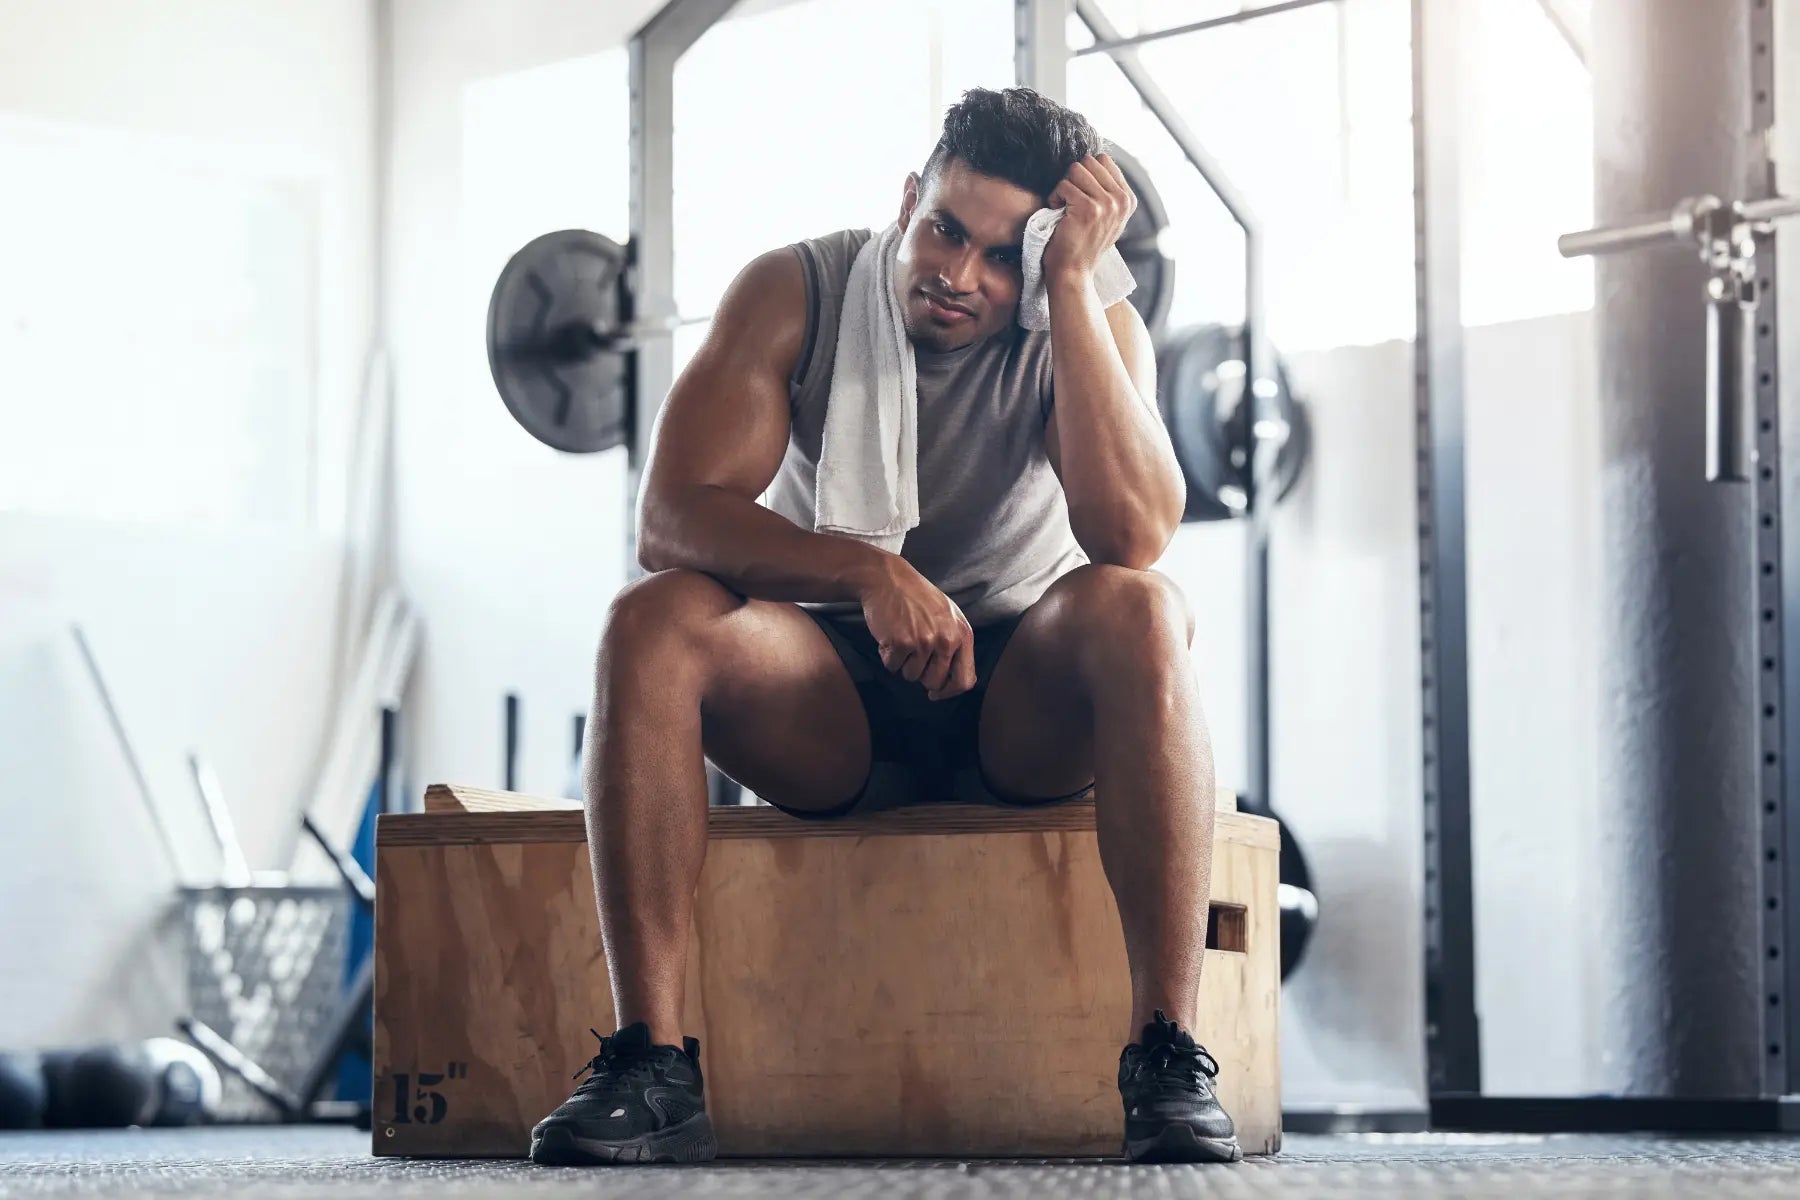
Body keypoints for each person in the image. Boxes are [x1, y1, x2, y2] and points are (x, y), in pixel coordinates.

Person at [528, 86, 1236, 1167]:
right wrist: (865, 570)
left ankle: (1167, 1057)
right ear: (910, 199)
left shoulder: (1091, 325)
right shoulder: (797, 289)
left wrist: (1072, 289)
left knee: (1144, 610)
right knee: (651, 623)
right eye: (947, 229)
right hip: (830, 686)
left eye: (1005, 256)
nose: (959, 275)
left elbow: (1132, 533)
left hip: (1019, 695)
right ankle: (652, 1066)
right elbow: (670, 515)